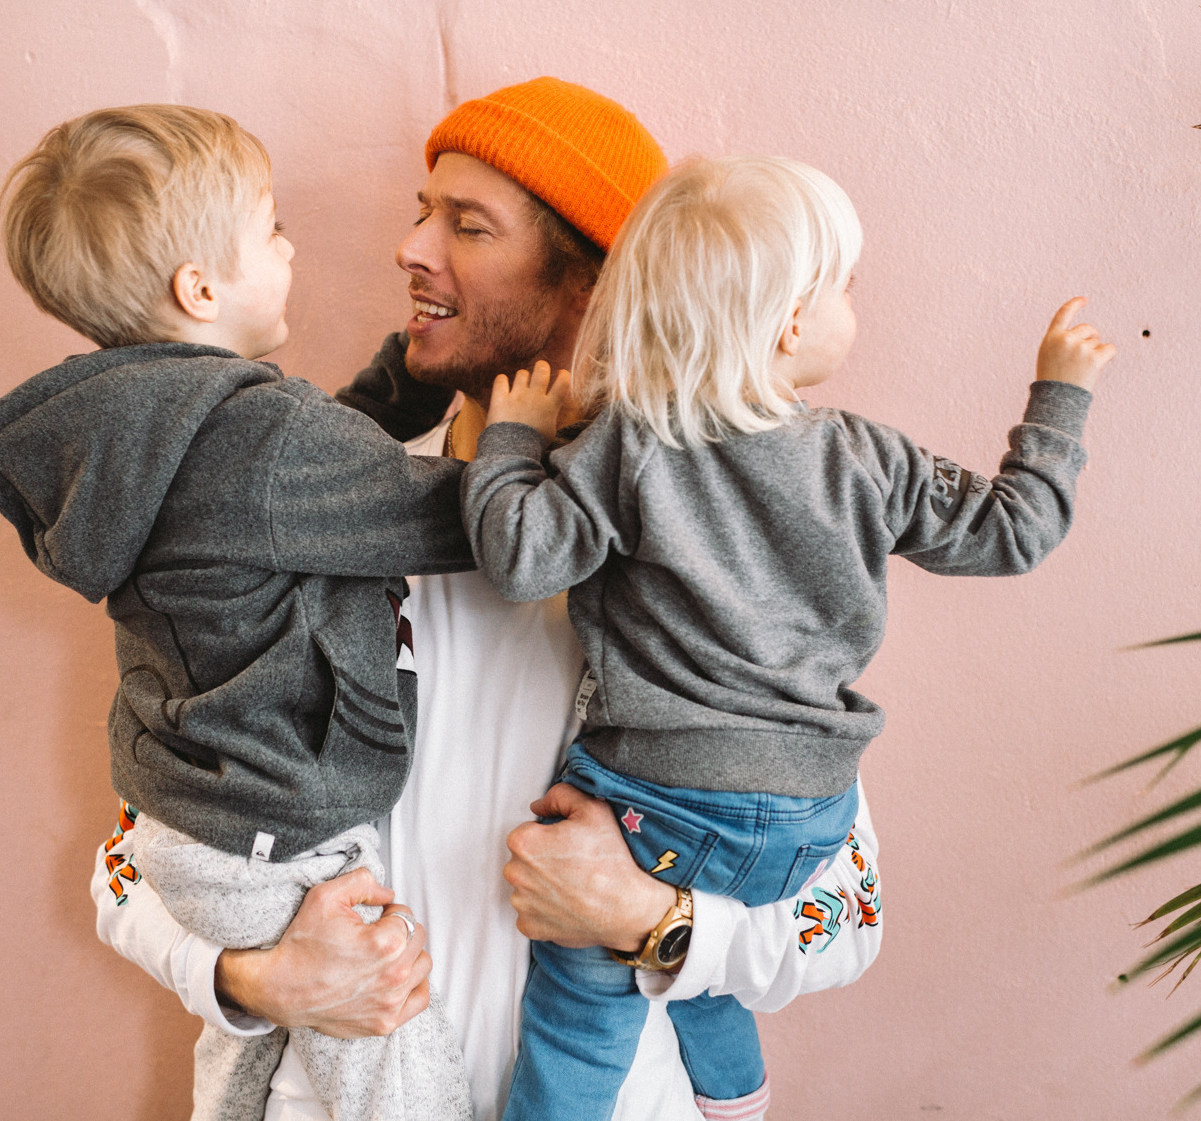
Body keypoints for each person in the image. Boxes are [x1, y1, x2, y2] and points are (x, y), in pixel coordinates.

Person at [91, 79, 887, 1121]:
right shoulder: (297, 515)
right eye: (423, 212)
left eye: (467, 225)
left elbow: (847, 911)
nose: (410, 248)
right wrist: (256, 977)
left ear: (598, 283)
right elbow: (133, 858)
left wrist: (651, 917)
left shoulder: (721, 554)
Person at [462, 155, 1113, 1119]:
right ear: (791, 325)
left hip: (654, 807)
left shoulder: (629, 444)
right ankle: (736, 1097)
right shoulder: (869, 457)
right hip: (810, 817)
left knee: (580, 1005)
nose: (855, 304)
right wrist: (1058, 400)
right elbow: (1014, 531)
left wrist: (514, 439)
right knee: (704, 953)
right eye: (845, 285)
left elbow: (520, 557)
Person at [0, 104, 480, 1120]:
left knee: (252, 1062)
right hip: (277, 840)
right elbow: (448, 518)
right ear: (200, 287)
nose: (292, 247)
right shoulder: (260, 439)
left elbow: (296, 492)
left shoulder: (143, 433)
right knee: (396, 1065)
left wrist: (403, 385)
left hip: (192, 831)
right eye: (272, 228)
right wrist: (524, 447)